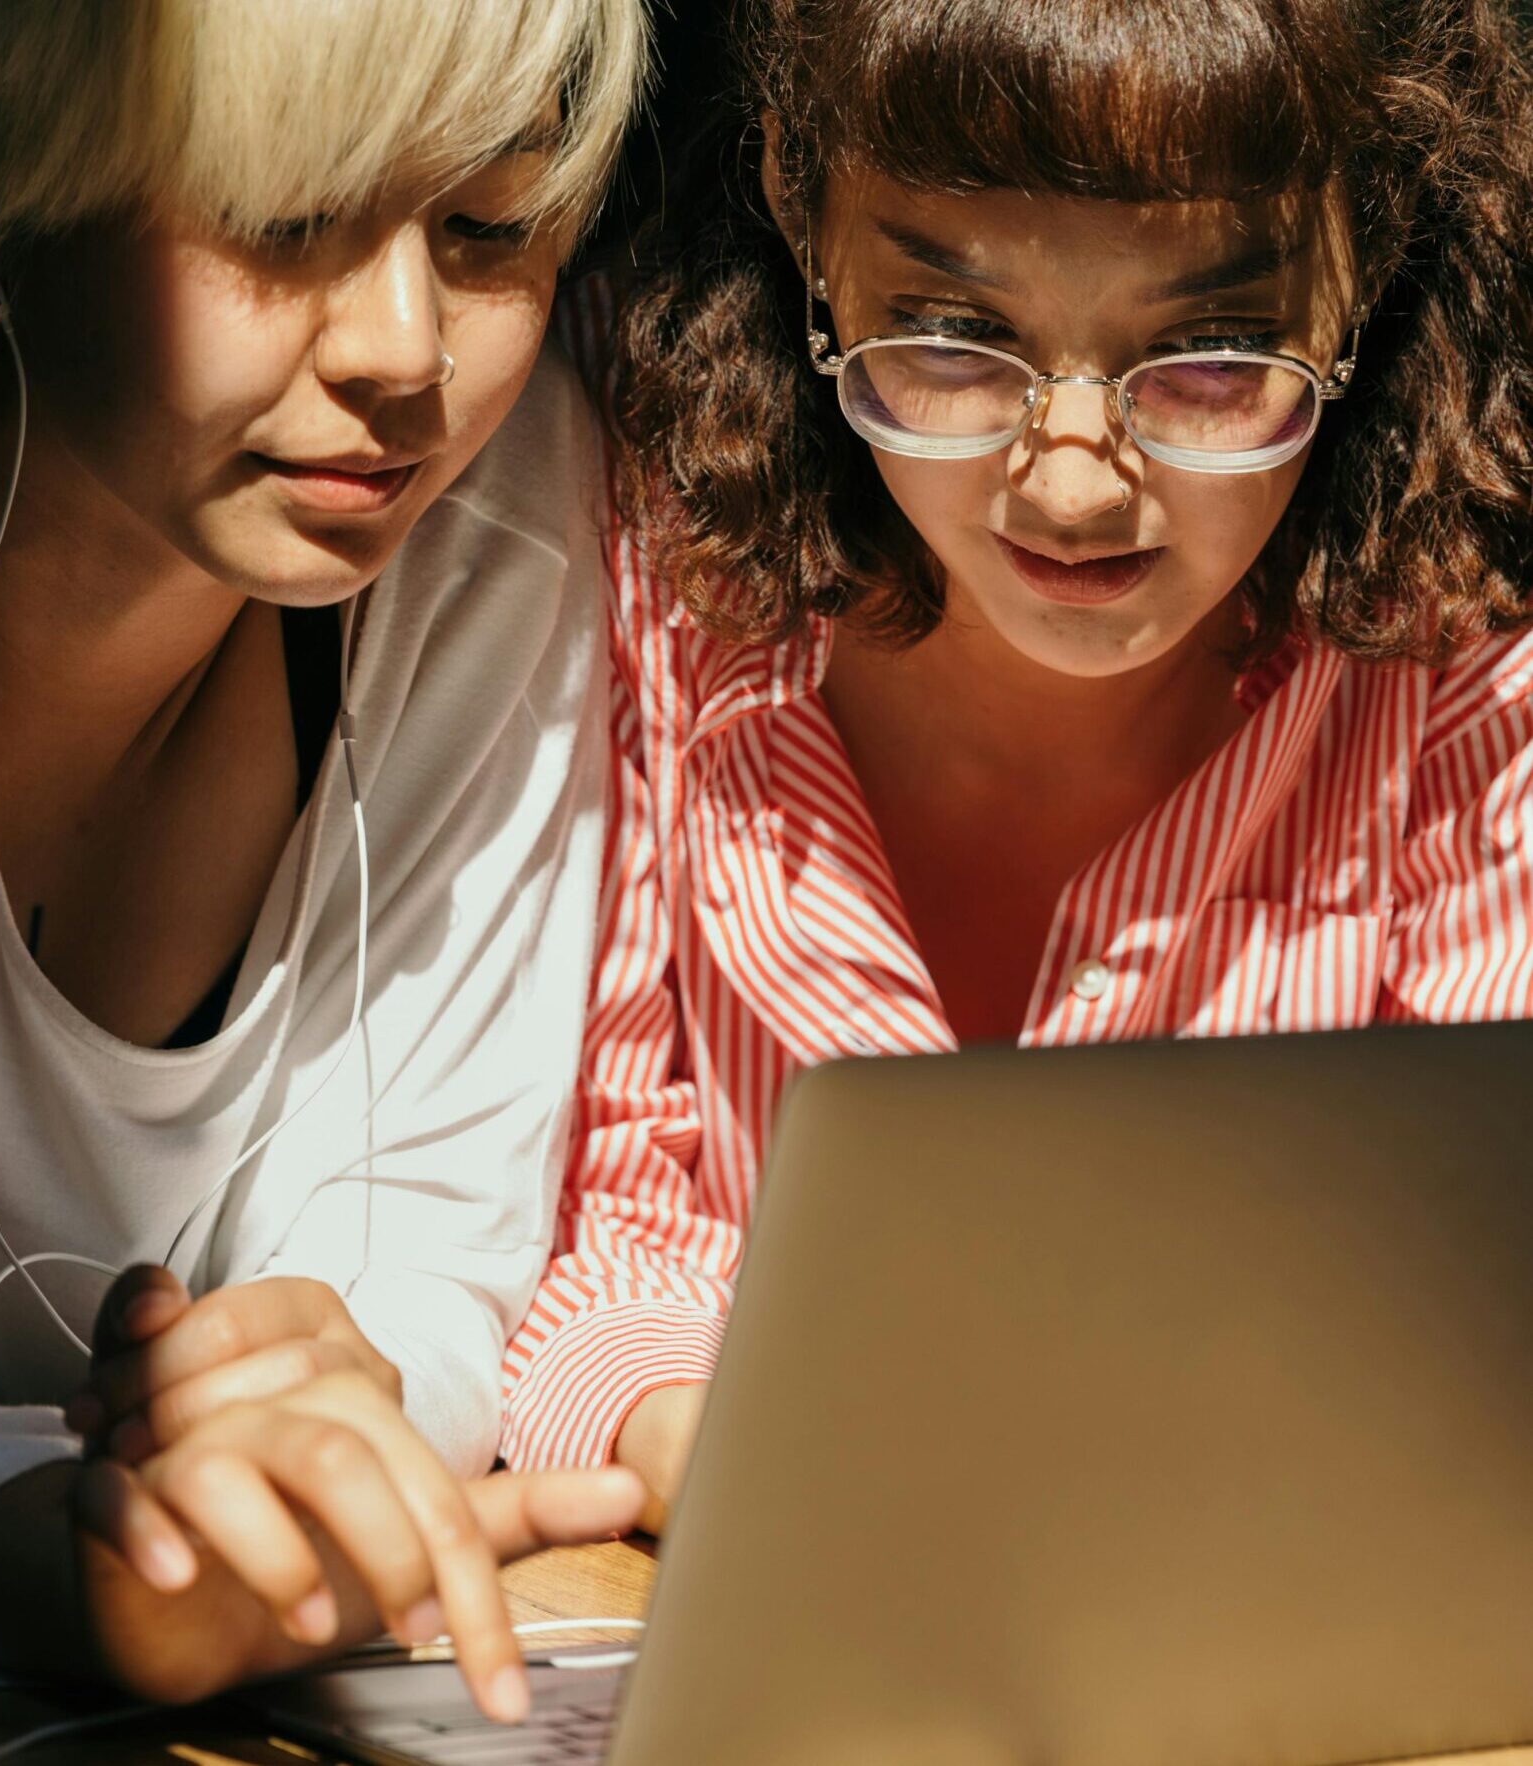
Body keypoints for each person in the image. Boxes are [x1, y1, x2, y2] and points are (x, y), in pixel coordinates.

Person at [498, 0, 1533, 1527]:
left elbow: (1478, 1312)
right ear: (798, 201)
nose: (1067, 478)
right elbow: (595, 1207)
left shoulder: (1462, 654)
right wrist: (710, 1441)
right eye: (955, 339)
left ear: (1368, 254)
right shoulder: (622, 513)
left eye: (1209, 358)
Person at [0, 0, 650, 1718]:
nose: (407, 349)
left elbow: (428, 1255)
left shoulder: (492, 518)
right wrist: (91, 1573)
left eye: (490, 226)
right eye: (286, 224)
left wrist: (329, 1447)